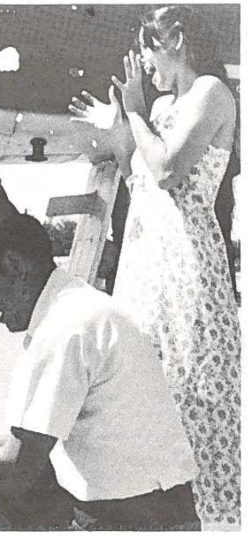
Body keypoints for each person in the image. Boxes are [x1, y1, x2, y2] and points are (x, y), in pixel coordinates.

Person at [0, 178, 200, 530]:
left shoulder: (62, 329)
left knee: (5, 484)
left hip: (133, 521)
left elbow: (16, 469)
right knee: (0, 479)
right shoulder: (73, 305)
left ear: (13, 264)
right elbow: (26, 440)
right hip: (159, 510)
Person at [69, 6, 240, 526]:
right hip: (145, 260)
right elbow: (137, 175)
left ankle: (213, 517)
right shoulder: (162, 102)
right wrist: (120, 126)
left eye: (148, 47)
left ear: (177, 40)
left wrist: (138, 111)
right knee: (141, 387)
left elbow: (168, 170)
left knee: (191, 387)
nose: (144, 61)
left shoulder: (212, 92)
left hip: (186, 263)